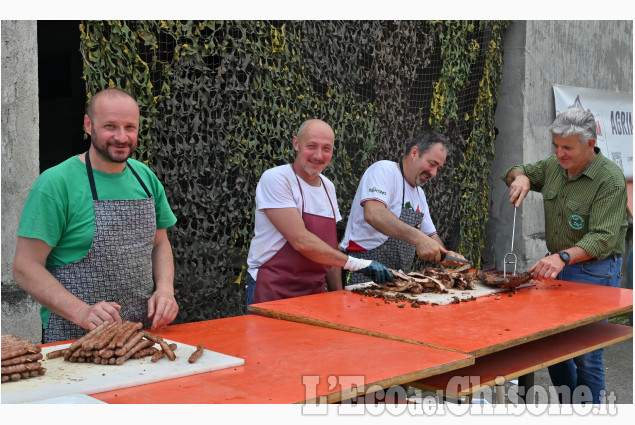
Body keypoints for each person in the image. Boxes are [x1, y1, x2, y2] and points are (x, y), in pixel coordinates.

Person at [13, 88, 179, 343]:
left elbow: (160, 243)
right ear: (89, 125)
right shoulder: (56, 184)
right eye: (110, 126)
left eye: (130, 127)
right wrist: (82, 311)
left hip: (142, 337)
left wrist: (165, 290)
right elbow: (25, 267)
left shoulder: (146, 178)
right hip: (74, 339)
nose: (121, 137)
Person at [503, 106, 628, 404]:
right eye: (556, 146)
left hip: (595, 271)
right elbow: (516, 170)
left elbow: (603, 236)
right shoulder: (553, 167)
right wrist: (520, 178)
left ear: (590, 144)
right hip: (558, 269)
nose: (560, 154)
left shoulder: (609, 180)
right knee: (555, 347)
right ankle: (569, 409)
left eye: (567, 148)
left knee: (586, 353)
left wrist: (562, 257)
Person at [245, 119, 392, 309]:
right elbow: (301, 241)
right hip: (273, 290)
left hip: (314, 294)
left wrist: (340, 297)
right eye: (311, 146)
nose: (318, 155)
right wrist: (358, 264)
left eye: (326, 149)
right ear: (296, 143)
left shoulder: (328, 186)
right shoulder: (276, 179)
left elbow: (328, 250)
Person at [340, 130, 466, 285]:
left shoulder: (419, 194)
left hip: (399, 281)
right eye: (432, 164)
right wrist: (419, 239)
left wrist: (445, 255)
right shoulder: (384, 170)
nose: (433, 173)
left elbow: (431, 236)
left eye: (438, 169)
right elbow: (373, 213)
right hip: (363, 274)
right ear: (414, 153)